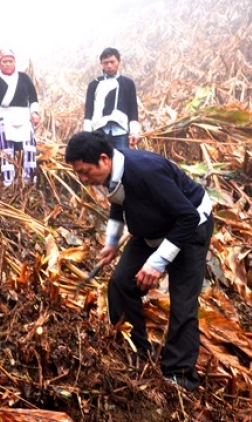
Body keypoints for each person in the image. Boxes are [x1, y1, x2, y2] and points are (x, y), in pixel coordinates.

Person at [64, 130, 214, 391]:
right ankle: (134, 350)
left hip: (189, 228)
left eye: (85, 171)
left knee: (183, 302)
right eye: (78, 173)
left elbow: (187, 216)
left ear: (103, 159)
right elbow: (118, 200)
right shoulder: (113, 173)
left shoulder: (145, 171)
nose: (83, 179)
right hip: (150, 228)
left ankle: (179, 376)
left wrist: (158, 262)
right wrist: (112, 242)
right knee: (120, 283)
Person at [0, 49, 41, 186]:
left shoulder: (24, 78)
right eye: (5, 61)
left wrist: (34, 113)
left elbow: (33, 98)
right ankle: (8, 182)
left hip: (23, 116)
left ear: (15, 62)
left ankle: (30, 180)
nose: (8, 64)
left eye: (11, 61)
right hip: (5, 117)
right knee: (7, 151)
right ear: (0, 63)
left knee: (29, 149)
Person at [83, 48, 140, 150]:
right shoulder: (94, 84)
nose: (109, 66)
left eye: (112, 62)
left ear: (119, 62)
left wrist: (134, 132)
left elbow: (133, 109)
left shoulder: (127, 83)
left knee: (122, 160)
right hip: (99, 131)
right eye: (106, 63)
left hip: (120, 131)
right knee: (100, 162)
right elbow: (88, 109)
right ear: (101, 64)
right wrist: (87, 133)